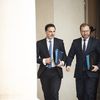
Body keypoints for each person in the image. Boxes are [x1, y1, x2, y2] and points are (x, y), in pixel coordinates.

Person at [66, 23, 100, 100]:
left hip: (92, 73)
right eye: (83, 31)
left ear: (90, 31)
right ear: (80, 31)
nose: (85, 33)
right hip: (79, 74)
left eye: (87, 31)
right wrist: (68, 65)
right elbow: (70, 55)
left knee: (89, 95)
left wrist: (98, 66)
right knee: (80, 95)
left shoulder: (96, 42)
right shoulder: (75, 42)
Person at [37, 23, 67, 100]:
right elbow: (34, 58)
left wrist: (62, 63)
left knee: (54, 93)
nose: (52, 33)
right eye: (50, 31)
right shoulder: (39, 43)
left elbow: (64, 56)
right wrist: (44, 60)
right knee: (47, 95)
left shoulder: (59, 42)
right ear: (46, 32)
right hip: (44, 72)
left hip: (56, 72)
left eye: (53, 31)